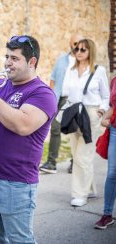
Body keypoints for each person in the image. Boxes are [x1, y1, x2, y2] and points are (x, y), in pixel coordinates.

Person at [0, 35, 57, 243]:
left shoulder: (42, 93)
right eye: (6, 56)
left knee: (20, 239)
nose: (7, 62)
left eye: (15, 58)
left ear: (32, 62)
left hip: (14, 181)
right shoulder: (0, 86)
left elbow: (22, 124)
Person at [62, 39, 109, 207]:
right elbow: (65, 91)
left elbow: (106, 95)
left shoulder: (99, 70)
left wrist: (102, 109)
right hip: (74, 113)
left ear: (91, 51)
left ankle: (79, 194)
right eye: (77, 49)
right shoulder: (71, 69)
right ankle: (89, 189)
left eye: (83, 49)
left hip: (91, 113)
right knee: (77, 155)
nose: (79, 52)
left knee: (84, 156)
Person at [40, 34, 84, 174]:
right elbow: (53, 78)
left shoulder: (84, 62)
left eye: (80, 43)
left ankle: (74, 163)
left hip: (75, 101)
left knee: (75, 131)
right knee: (55, 129)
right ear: (70, 44)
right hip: (60, 99)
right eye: (75, 43)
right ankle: (51, 163)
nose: (78, 46)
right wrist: (52, 96)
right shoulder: (61, 60)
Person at [94, 75, 116, 229]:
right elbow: (113, 106)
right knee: (112, 174)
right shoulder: (115, 81)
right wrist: (104, 119)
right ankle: (107, 214)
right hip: (115, 130)